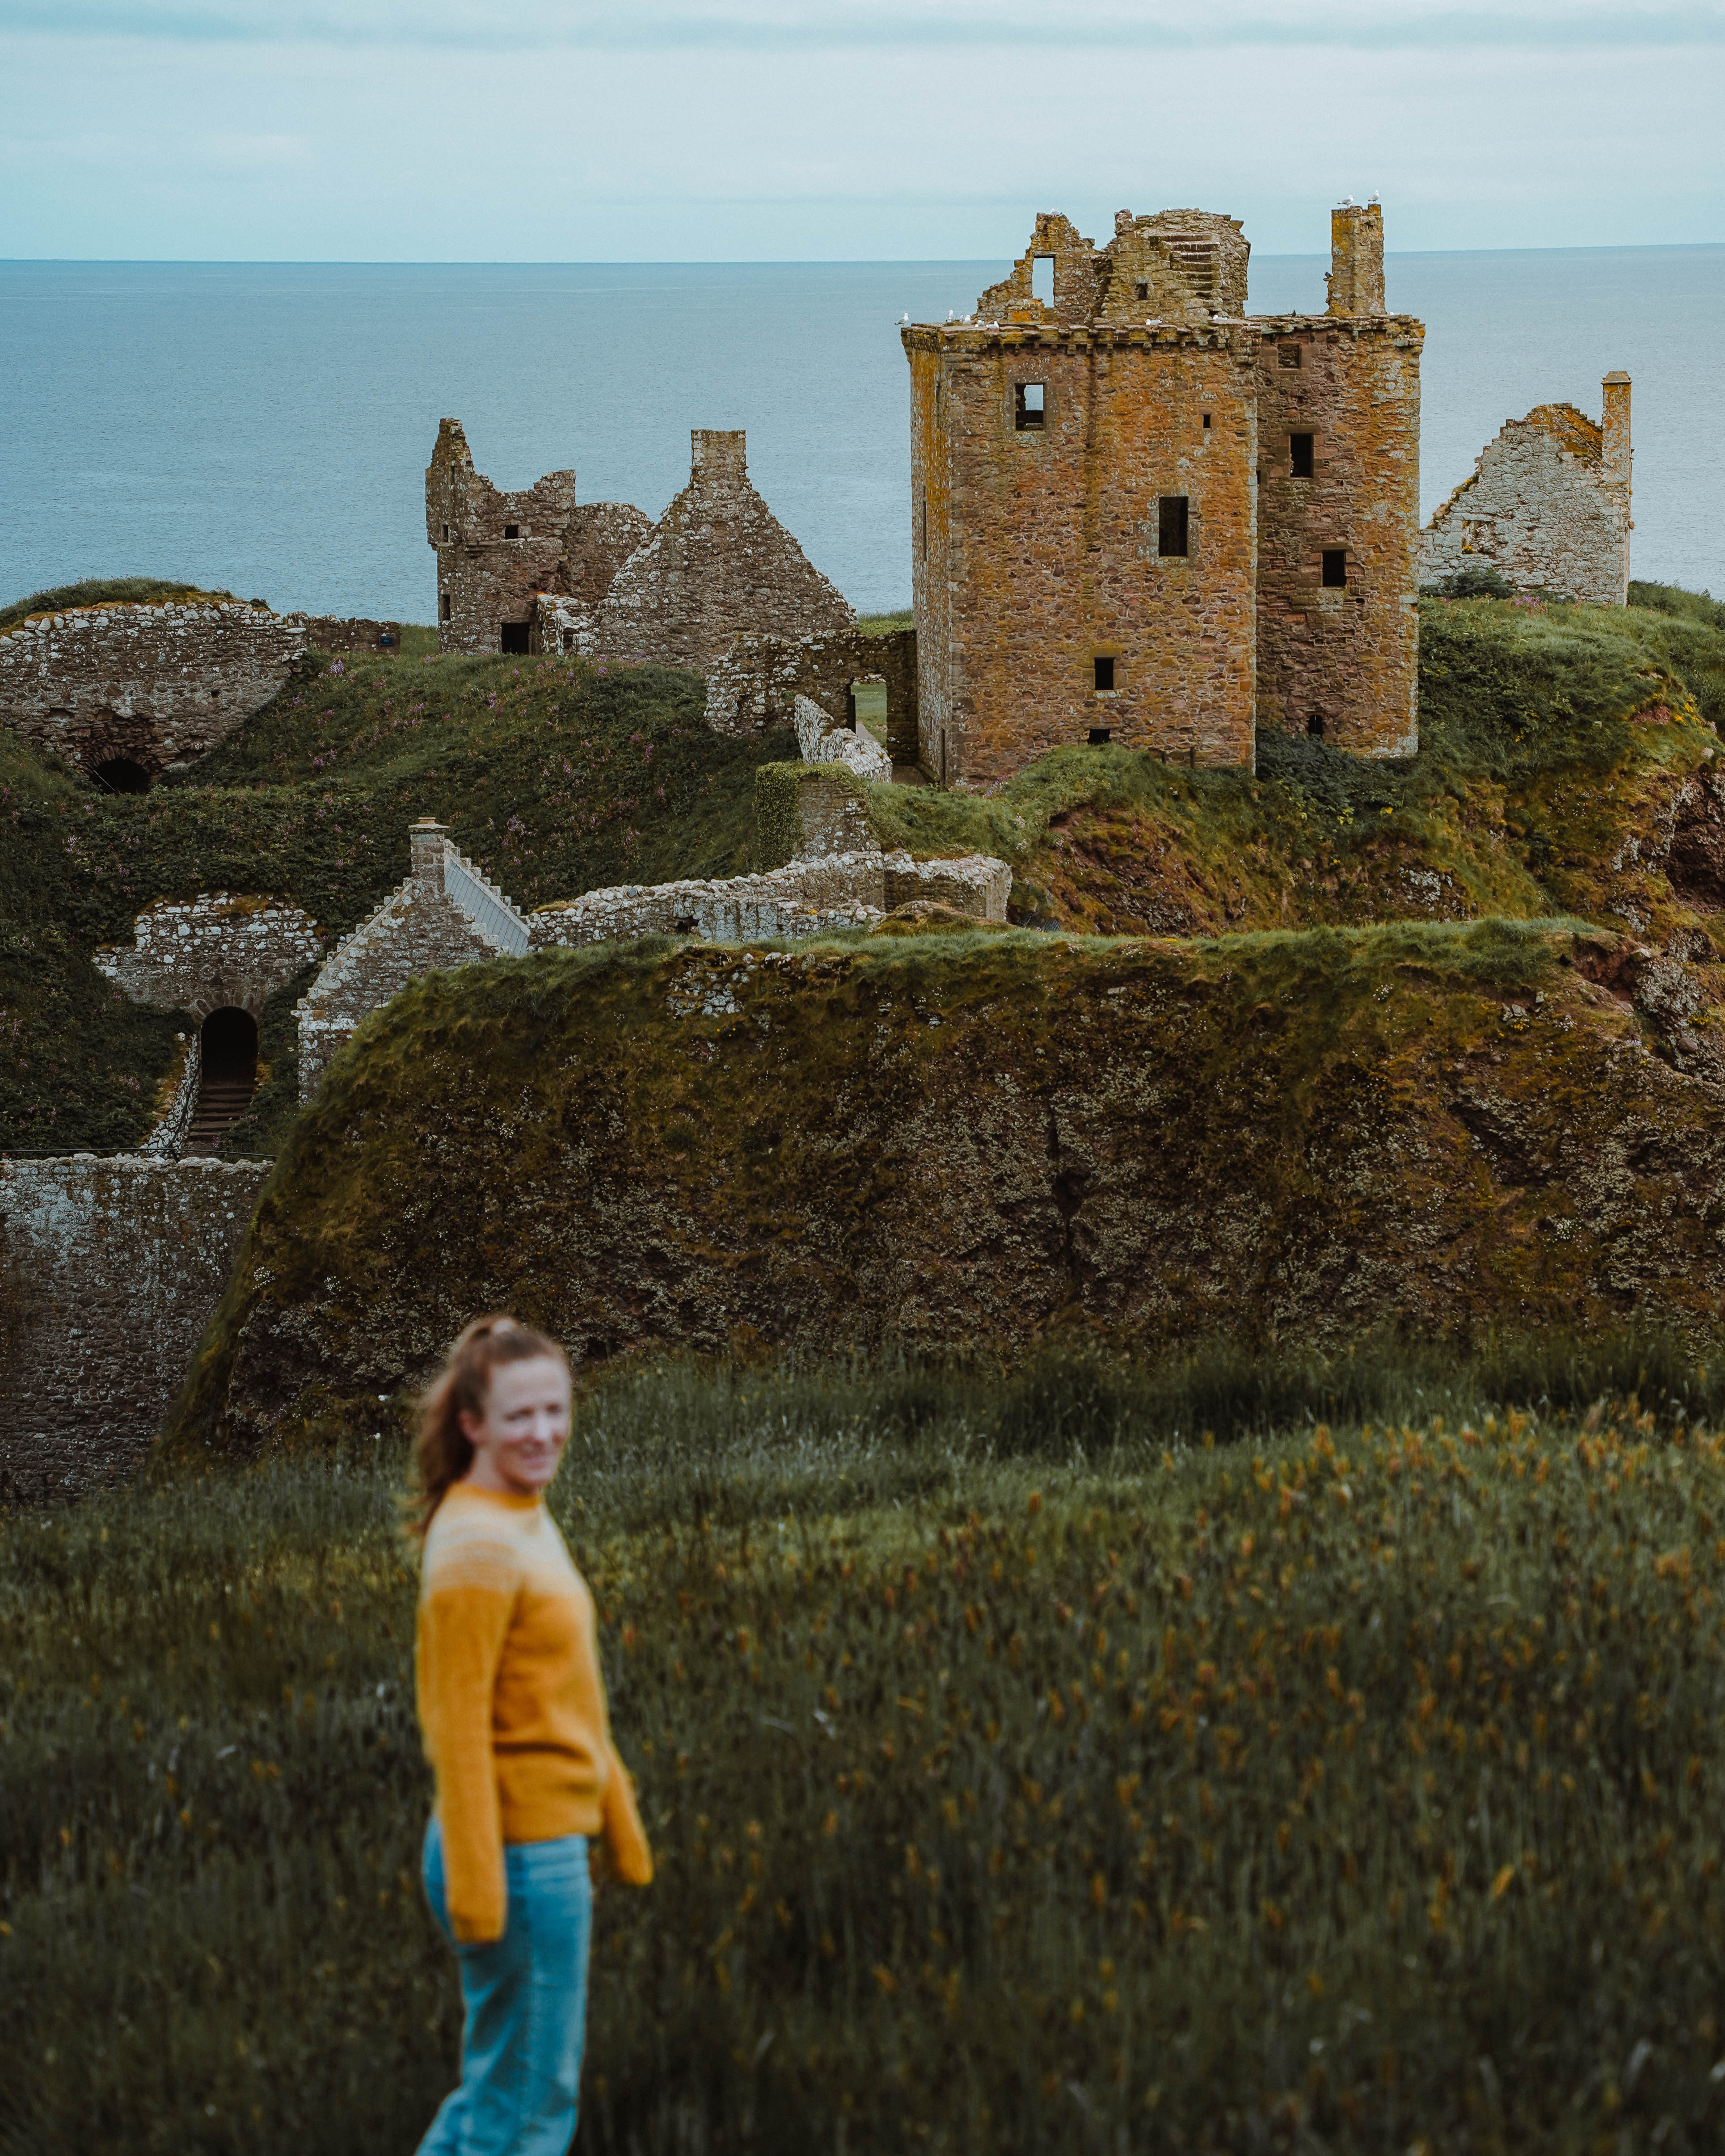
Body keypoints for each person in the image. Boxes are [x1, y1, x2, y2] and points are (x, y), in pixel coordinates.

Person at [409, 1314, 652, 2156]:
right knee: (527, 2113)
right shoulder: (476, 1544)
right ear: (472, 1423)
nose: (544, 1432)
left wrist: (616, 1819)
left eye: (557, 1409)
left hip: (542, 1846)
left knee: (499, 2099)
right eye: (520, 1416)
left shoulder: (519, 1512)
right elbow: (458, 1728)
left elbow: (567, 1695)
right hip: (514, 1857)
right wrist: (481, 1892)